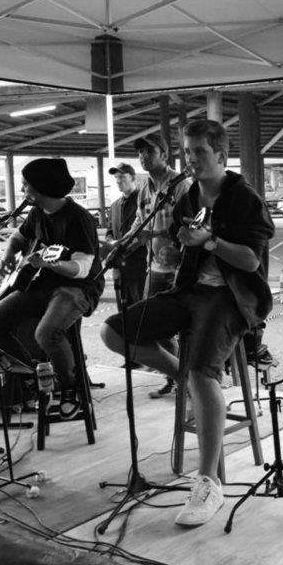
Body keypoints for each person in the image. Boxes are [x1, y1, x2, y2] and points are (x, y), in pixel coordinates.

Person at [100, 119, 274, 527]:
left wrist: (209, 240)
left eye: (199, 152)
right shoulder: (188, 196)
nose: (191, 159)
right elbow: (183, 247)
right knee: (113, 331)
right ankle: (183, 376)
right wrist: (171, 250)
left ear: (221, 155)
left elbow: (251, 261)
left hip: (231, 297)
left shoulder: (244, 198)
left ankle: (209, 481)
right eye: (187, 151)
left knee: (203, 373)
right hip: (190, 290)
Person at [0, 158, 104, 419]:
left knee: (46, 334)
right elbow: (18, 237)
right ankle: (34, 375)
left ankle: (71, 388)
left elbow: (81, 269)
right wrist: (8, 257)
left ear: (42, 187)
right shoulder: (36, 214)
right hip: (40, 285)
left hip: (77, 288)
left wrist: (51, 264)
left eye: (26, 185)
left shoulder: (79, 218)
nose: (22, 190)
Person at [123, 136, 192, 398]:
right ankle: (174, 376)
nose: (143, 156)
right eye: (140, 152)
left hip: (180, 268)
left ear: (164, 154)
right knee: (152, 326)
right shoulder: (144, 188)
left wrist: (162, 239)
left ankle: (194, 380)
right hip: (154, 268)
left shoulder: (181, 185)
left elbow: (190, 224)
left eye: (149, 151)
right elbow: (139, 224)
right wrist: (121, 244)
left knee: (186, 328)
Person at [104, 162, 147, 304]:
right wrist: (110, 242)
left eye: (122, 177)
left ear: (133, 178)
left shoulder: (143, 201)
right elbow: (110, 230)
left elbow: (143, 232)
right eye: (116, 177)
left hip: (139, 264)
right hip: (119, 265)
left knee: (139, 304)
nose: (118, 181)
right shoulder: (114, 206)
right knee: (122, 305)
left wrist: (121, 249)